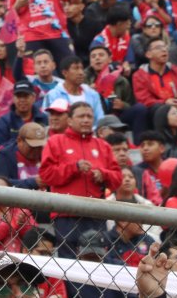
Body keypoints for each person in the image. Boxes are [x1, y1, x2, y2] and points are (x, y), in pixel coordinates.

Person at [40, 101, 122, 257]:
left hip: (96, 214)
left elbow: (117, 178)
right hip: (66, 214)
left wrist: (103, 174)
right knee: (69, 262)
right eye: (81, 116)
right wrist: (74, 168)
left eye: (89, 116)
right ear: (70, 120)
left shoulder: (103, 146)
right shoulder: (55, 142)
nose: (86, 120)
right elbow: (46, 175)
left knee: (97, 262)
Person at [41, 56, 105, 129]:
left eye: (81, 68)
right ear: (65, 73)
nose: (81, 72)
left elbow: (100, 120)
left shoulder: (93, 94)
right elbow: (47, 119)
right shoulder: (53, 95)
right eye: (76, 68)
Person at [0, 81, 47, 148]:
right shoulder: (3, 122)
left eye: (26, 96)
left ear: (34, 98)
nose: (22, 100)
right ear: (13, 98)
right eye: (19, 96)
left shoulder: (44, 119)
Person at [0, 122, 47, 190]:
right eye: (32, 147)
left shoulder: (45, 154)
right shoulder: (6, 156)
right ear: (19, 140)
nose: (36, 150)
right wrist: (33, 182)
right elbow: (1, 184)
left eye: (39, 147)